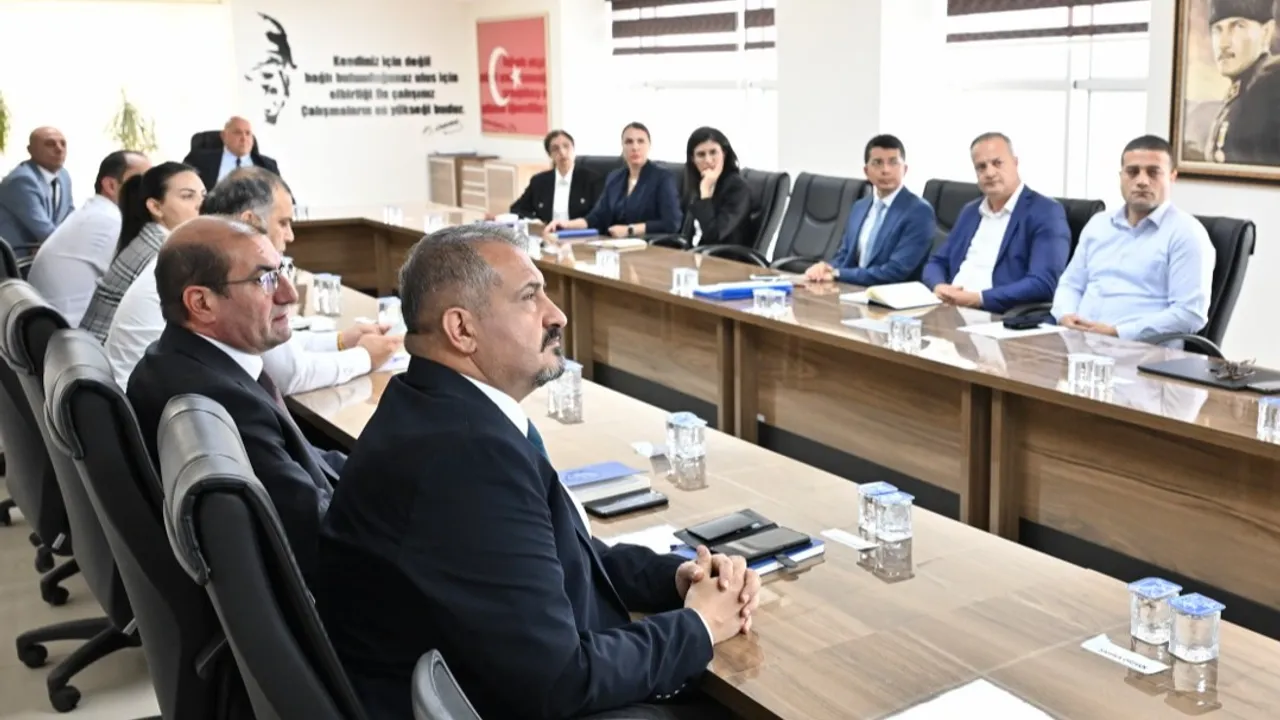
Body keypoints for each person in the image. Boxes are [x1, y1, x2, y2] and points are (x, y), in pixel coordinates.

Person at [316, 223, 758, 720]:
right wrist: (700, 626)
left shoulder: (433, 406)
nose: (557, 314)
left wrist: (674, 579)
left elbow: (554, 552)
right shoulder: (467, 456)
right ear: (462, 330)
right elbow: (560, 681)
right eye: (530, 297)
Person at [127, 216, 340, 578]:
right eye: (265, 280)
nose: (289, 294)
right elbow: (313, 531)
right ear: (201, 303)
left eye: (283, 270)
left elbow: (306, 460)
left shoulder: (173, 359)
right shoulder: (220, 401)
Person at [106, 167, 401, 389]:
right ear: (249, 221)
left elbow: (275, 346)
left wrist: (341, 340)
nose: (290, 236)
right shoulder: (215, 269)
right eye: (283, 223)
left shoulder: (194, 252)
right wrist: (365, 357)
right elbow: (290, 374)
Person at [1052, 135, 1215, 343]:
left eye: (1153, 172)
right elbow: (1071, 284)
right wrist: (1065, 315)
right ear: (1121, 176)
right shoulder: (1099, 224)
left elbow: (1190, 313)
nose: (1142, 181)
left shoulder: (1187, 234)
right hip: (1079, 346)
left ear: (1172, 177)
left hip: (1142, 352)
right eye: (1132, 172)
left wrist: (1118, 332)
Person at [922, 132, 1071, 313]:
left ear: (1015, 163)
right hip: (948, 309)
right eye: (981, 167)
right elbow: (937, 262)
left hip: (996, 315)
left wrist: (978, 299)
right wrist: (939, 286)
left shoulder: (1046, 212)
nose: (989, 173)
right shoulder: (971, 211)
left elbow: (1043, 283)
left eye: (997, 163)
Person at [79, 162, 205, 342]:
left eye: (203, 195)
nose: (200, 204)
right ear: (155, 207)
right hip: (104, 353)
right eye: (187, 196)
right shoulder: (162, 251)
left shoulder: (152, 238)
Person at [28, 151, 150, 325]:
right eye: (140, 183)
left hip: (53, 325)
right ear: (111, 186)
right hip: (70, 331)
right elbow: (142, 283)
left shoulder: (96, 212)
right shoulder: (110, 221)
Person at [805, 134, 936, 285]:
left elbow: (895, 271)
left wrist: (838, 273)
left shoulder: (919, 212)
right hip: (853, 290)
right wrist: (826, 268)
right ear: (866, 171)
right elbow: (845, 256)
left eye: (893, 163)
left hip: (892, 295)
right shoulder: (859, 207)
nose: (885, 170)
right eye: (877, 163)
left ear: (904, 169)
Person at [545, 122, 682, 239]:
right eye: (629, 142)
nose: (635, 147)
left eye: (641, 141)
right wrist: (565, 224)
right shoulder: (615, 177)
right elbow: (596, 218)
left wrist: (630, 229)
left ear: (649, 146)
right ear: (622, 147)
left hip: (649, 248)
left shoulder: (663, 177)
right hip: (614, 246)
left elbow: (672, 223)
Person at [1201, 0, 1280, 165]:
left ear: (1267, 31)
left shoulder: (1270, 84)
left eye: (1238, 26)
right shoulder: (1242, 91)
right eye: (1217, 30)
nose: (1223, 43)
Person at [0, 127, 73, 257]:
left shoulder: (63, 176)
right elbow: (45, 231)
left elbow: (71, 217)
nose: (59, 149)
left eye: (63, 144)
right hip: (15, 260)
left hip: (43, 255)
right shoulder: (21, 181)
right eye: (50, 144)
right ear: (30, 150)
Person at [509, 129, 603, 224]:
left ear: (573, 148)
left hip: (580, 232)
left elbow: (599, 215)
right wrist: (535, 221)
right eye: (555, 149)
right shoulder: (539, 181)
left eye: (566, 146)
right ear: (550, 155)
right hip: (547, 231)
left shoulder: (592, 179)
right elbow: (517, 209)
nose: (562, 152)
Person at [679, 126, 751, 248]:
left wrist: (705, 193)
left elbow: (714, 236)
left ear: (724, 154)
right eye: (701, 154)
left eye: (713, 152)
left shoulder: (737, 188)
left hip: (722, 256)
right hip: (693, 254)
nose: (708, 160)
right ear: (693, 159)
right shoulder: (695, 184)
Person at [183, 116, 283, 190]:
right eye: (238, 133)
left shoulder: (268, 165)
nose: (244, 138)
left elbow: (282, 196)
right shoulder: (199, 160)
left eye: (248, 133)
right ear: (223, 136)